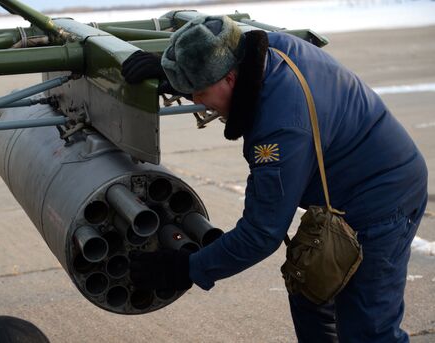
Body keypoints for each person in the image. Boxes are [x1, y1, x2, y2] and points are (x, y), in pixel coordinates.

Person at [122, 15, 428, 342]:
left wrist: (186, 269)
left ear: (229, 77)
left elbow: (261, 233)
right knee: (311, 290)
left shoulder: (280, 130)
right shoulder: (266, 50)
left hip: (383, 203)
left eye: (198, 91)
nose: (197, 101)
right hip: (356, 185)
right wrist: (175, 75)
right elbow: (221, 70)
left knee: (367, 330)